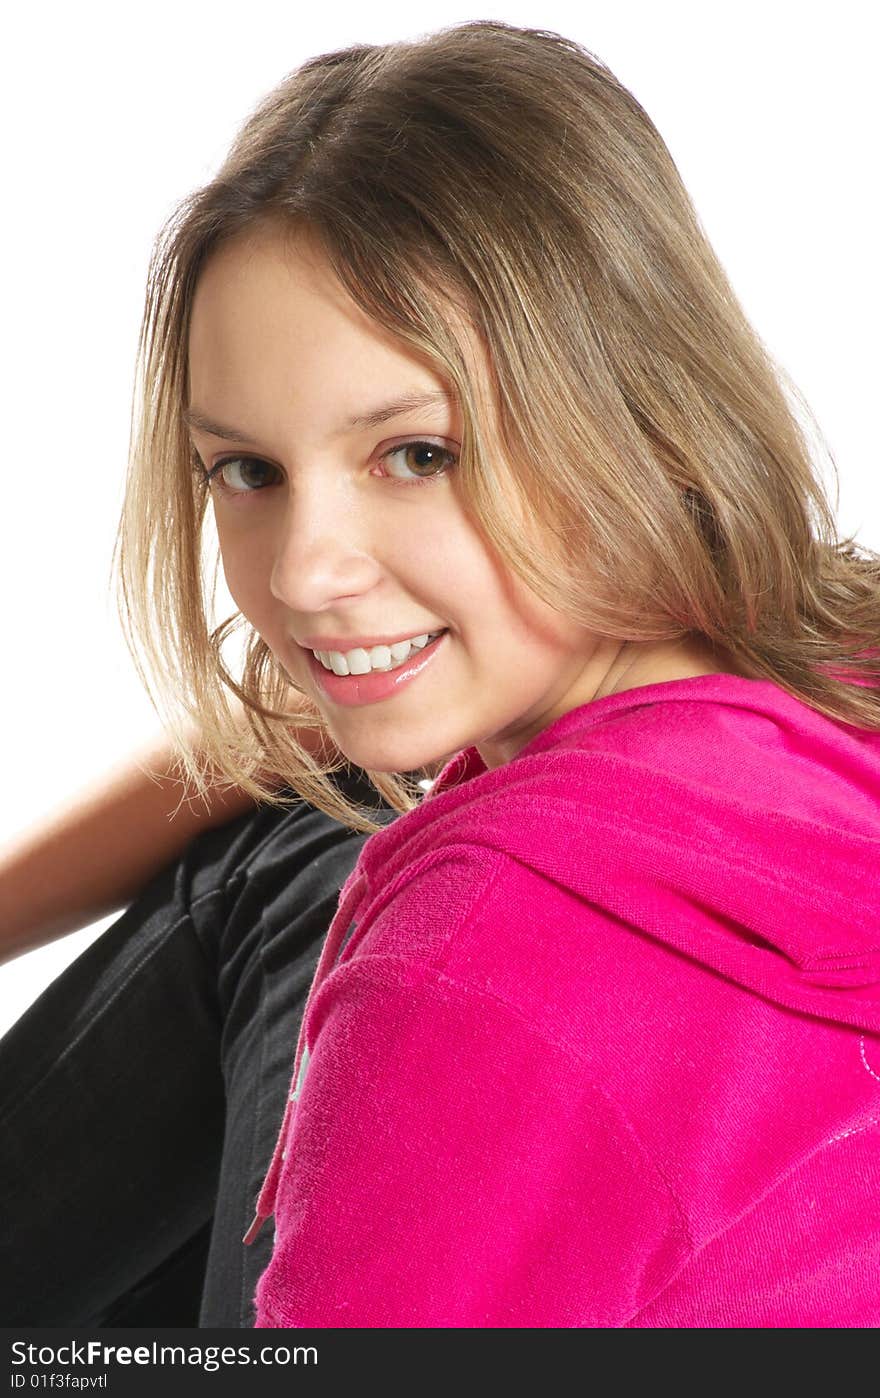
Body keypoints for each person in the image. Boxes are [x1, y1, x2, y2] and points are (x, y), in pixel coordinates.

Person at [3, 17, 880, 1328]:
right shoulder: (819, 672)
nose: (303, 572)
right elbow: (293, 730)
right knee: (301, 831)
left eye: (416, 454)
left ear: (632, 408)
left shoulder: (462, 976)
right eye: (245, 468)